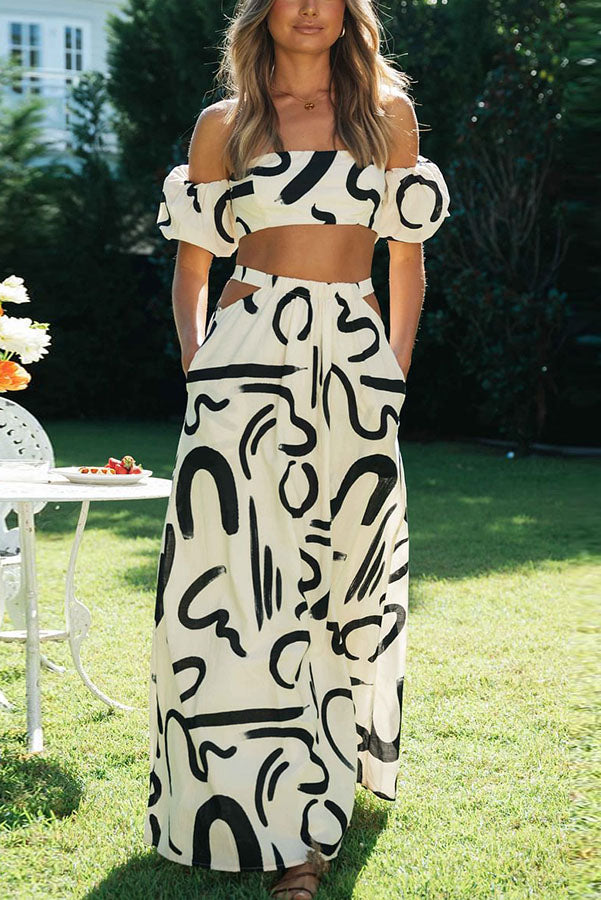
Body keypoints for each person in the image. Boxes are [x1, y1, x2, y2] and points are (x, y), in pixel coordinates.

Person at [144, 1, 450, 897]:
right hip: (245, 365)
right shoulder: (225, 125)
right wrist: (202, 371)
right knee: (238, 589)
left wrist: (392, 373)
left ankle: (318, 792)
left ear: (350, 14)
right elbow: (192, 269)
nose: (311, 7)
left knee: (337, 577)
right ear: (264, 12)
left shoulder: (386, 115)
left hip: (352, 363)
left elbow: (405, 258)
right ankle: (275, 829)